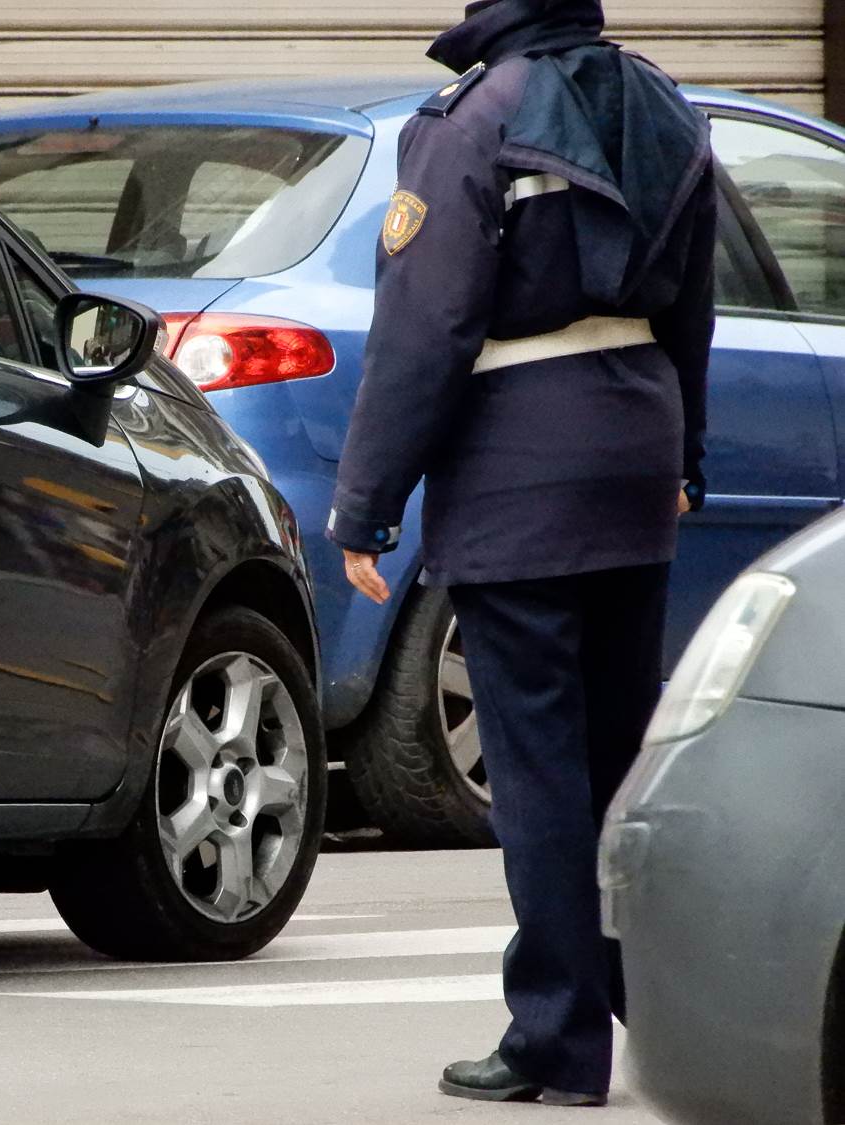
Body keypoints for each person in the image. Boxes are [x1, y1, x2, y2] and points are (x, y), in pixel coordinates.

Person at [327, 0, 714, 1107]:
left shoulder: (471, 117)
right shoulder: (664, 102)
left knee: (538, 772)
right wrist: (687, 449)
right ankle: (668, 1007)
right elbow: (696, 302)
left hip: (518, 470)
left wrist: (365, 505)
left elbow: (427, 322)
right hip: (635, 454)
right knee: (614, 759)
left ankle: (554, 1038)